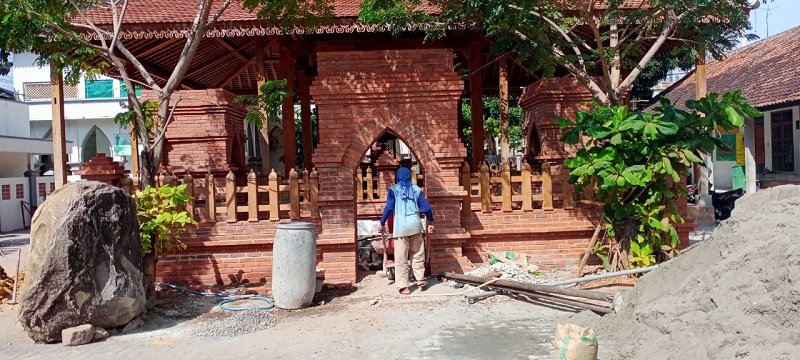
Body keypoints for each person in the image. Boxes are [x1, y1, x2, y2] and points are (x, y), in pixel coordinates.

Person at [378, 167, 435, 295]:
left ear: (397, 178)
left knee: (401, 258)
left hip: (400, 228)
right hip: (415, 226)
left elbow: (388, 208)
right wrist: (430, 221)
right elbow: (426, 208)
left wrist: (382, 223)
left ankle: (404, 286)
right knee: (417, 254)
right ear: (410, 177)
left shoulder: (394, 190)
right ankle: (420, 279)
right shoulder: (416, 190)